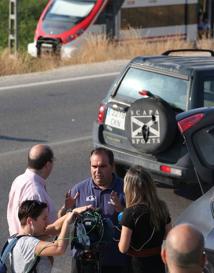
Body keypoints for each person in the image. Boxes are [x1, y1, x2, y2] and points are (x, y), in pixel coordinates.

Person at [64, 147, 129, 273]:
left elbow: (136, 222)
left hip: (114, 260)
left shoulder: (125, 189)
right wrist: (66, 209)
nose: (97, 171)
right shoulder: (79, 190)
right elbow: (62, 220)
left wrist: (121, 209)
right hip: (83, 259)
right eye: (94, 166)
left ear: (112, 166)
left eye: (103, 166)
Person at [10, 200, 91, 273]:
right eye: (44, 218)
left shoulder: (15, 239)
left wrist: (72, 213)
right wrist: (67, 222)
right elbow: (59, 248)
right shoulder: (28, 244)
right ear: (30, 221)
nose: (47, 222)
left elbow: (55, 227)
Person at [118, 165, 171, 273]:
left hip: (137, 266)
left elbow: (123, 248)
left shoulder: (129, 213)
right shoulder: (161, 207)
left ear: (129, 188)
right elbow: (168, 235)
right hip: (157, 265)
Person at [7, 144, 57, 236]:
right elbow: (36, 231)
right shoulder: (34, 192)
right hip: (34, 248)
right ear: (47, 164)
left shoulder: (19, 180)